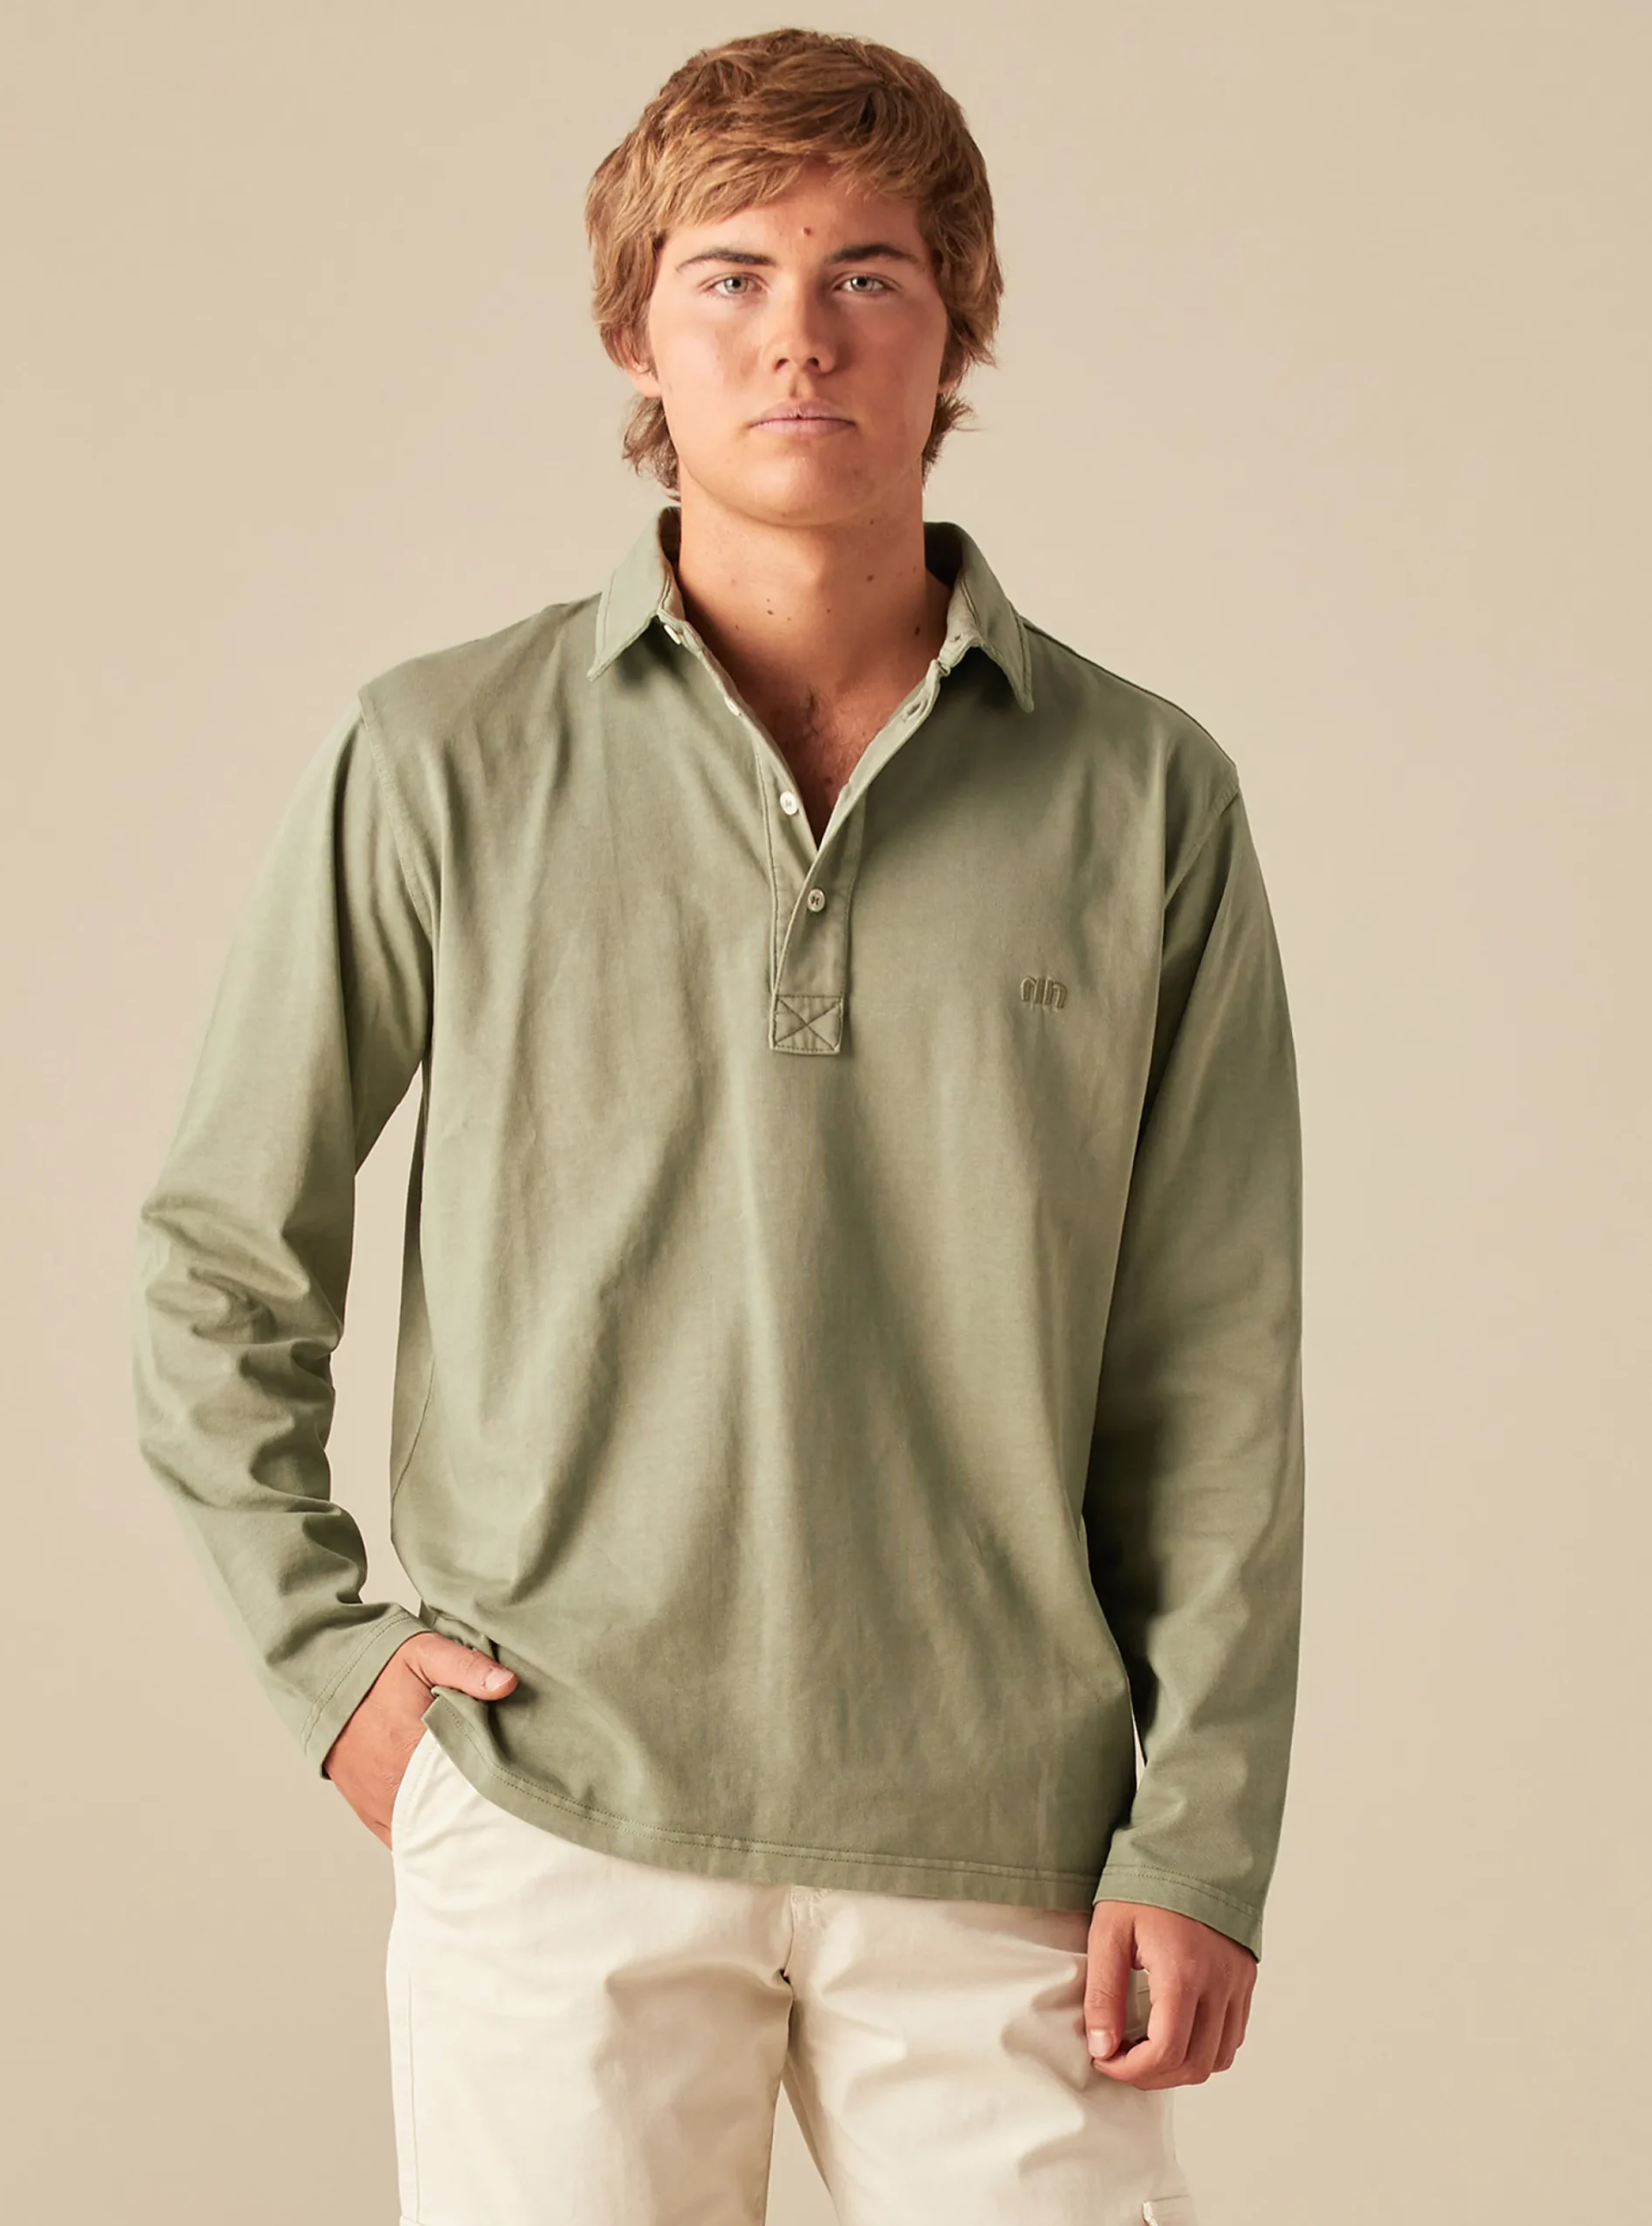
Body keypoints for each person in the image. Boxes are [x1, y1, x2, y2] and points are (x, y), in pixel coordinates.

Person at [130, 27, 1303, 2226]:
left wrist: (1204, 1824)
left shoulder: (1142, 794)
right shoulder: (441, 755)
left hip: (1005, 1835)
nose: (797, 338)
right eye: (731, 276)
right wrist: (329, 1659)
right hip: (555, 1798)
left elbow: (1212, 1361)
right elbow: (219, 1251)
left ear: (955, 323)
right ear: (633, 330)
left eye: (867, 276)